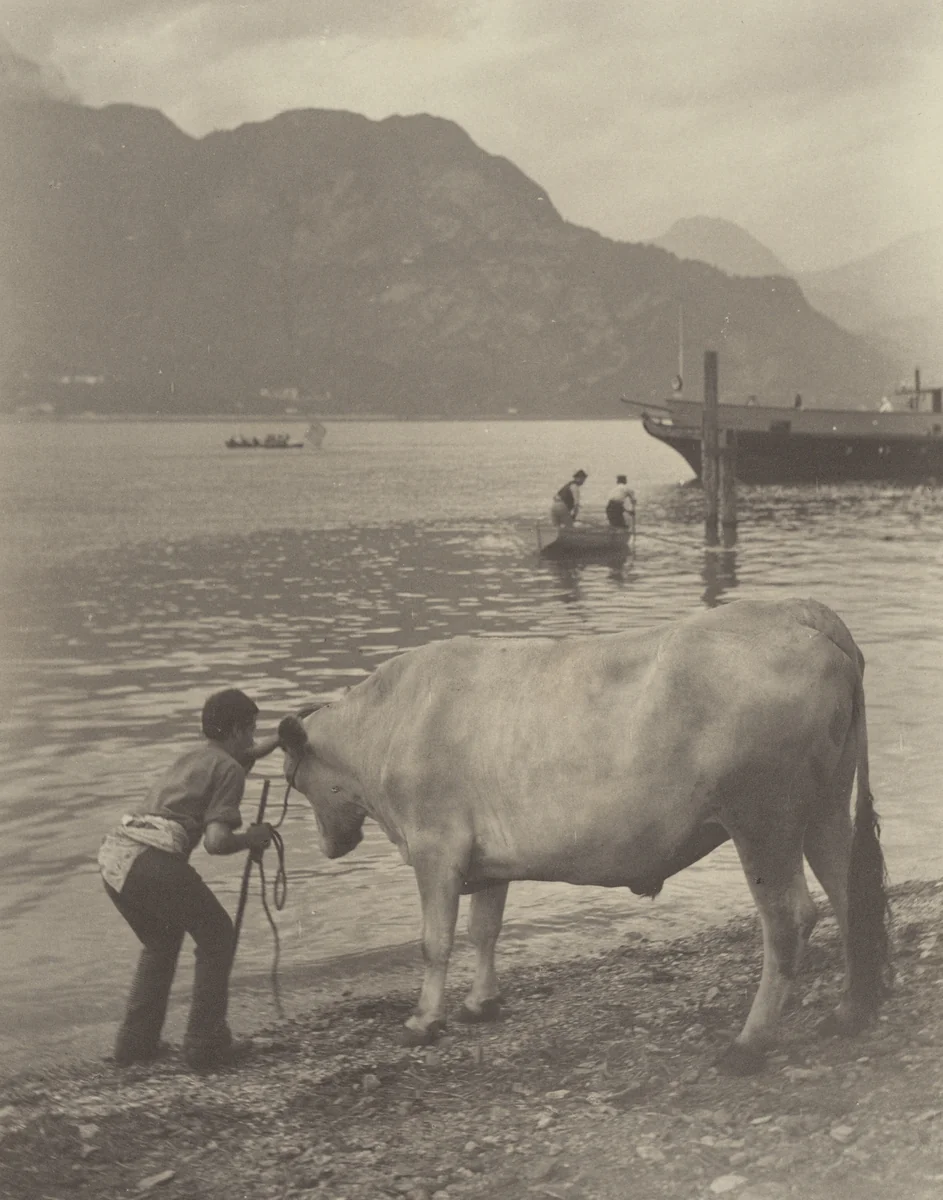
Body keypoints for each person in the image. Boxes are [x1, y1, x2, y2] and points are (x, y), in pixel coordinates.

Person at [98, 688, 281, 1071]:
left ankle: (135, 1047)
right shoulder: (229, 769)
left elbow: (243, 756)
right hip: (151, 860)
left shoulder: (196, 757)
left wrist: (280, 738)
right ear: (234, 730)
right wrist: (253, 838)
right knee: (217, 934)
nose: (251, 739)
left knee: (161, 941)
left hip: (115, 855)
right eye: (249, 731)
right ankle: (204, 1045)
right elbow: (216, 842)